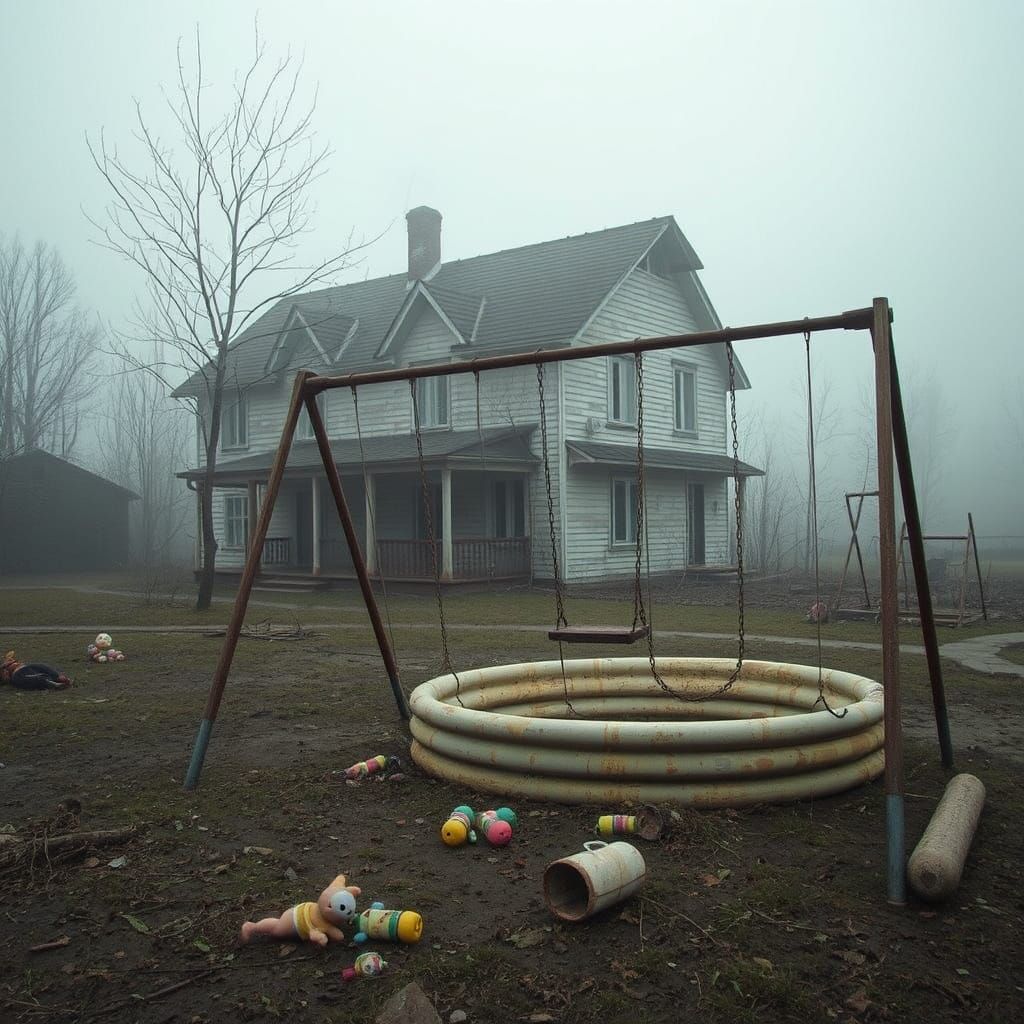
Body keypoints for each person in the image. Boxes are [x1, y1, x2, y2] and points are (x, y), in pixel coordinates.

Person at [1, 651, 72, 690]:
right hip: (16, 673)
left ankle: (59, 678)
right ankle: (52, 683)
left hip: (25, 667)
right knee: (27, 678)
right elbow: (5, 678)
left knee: (42, 668)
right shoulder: (14, 676)